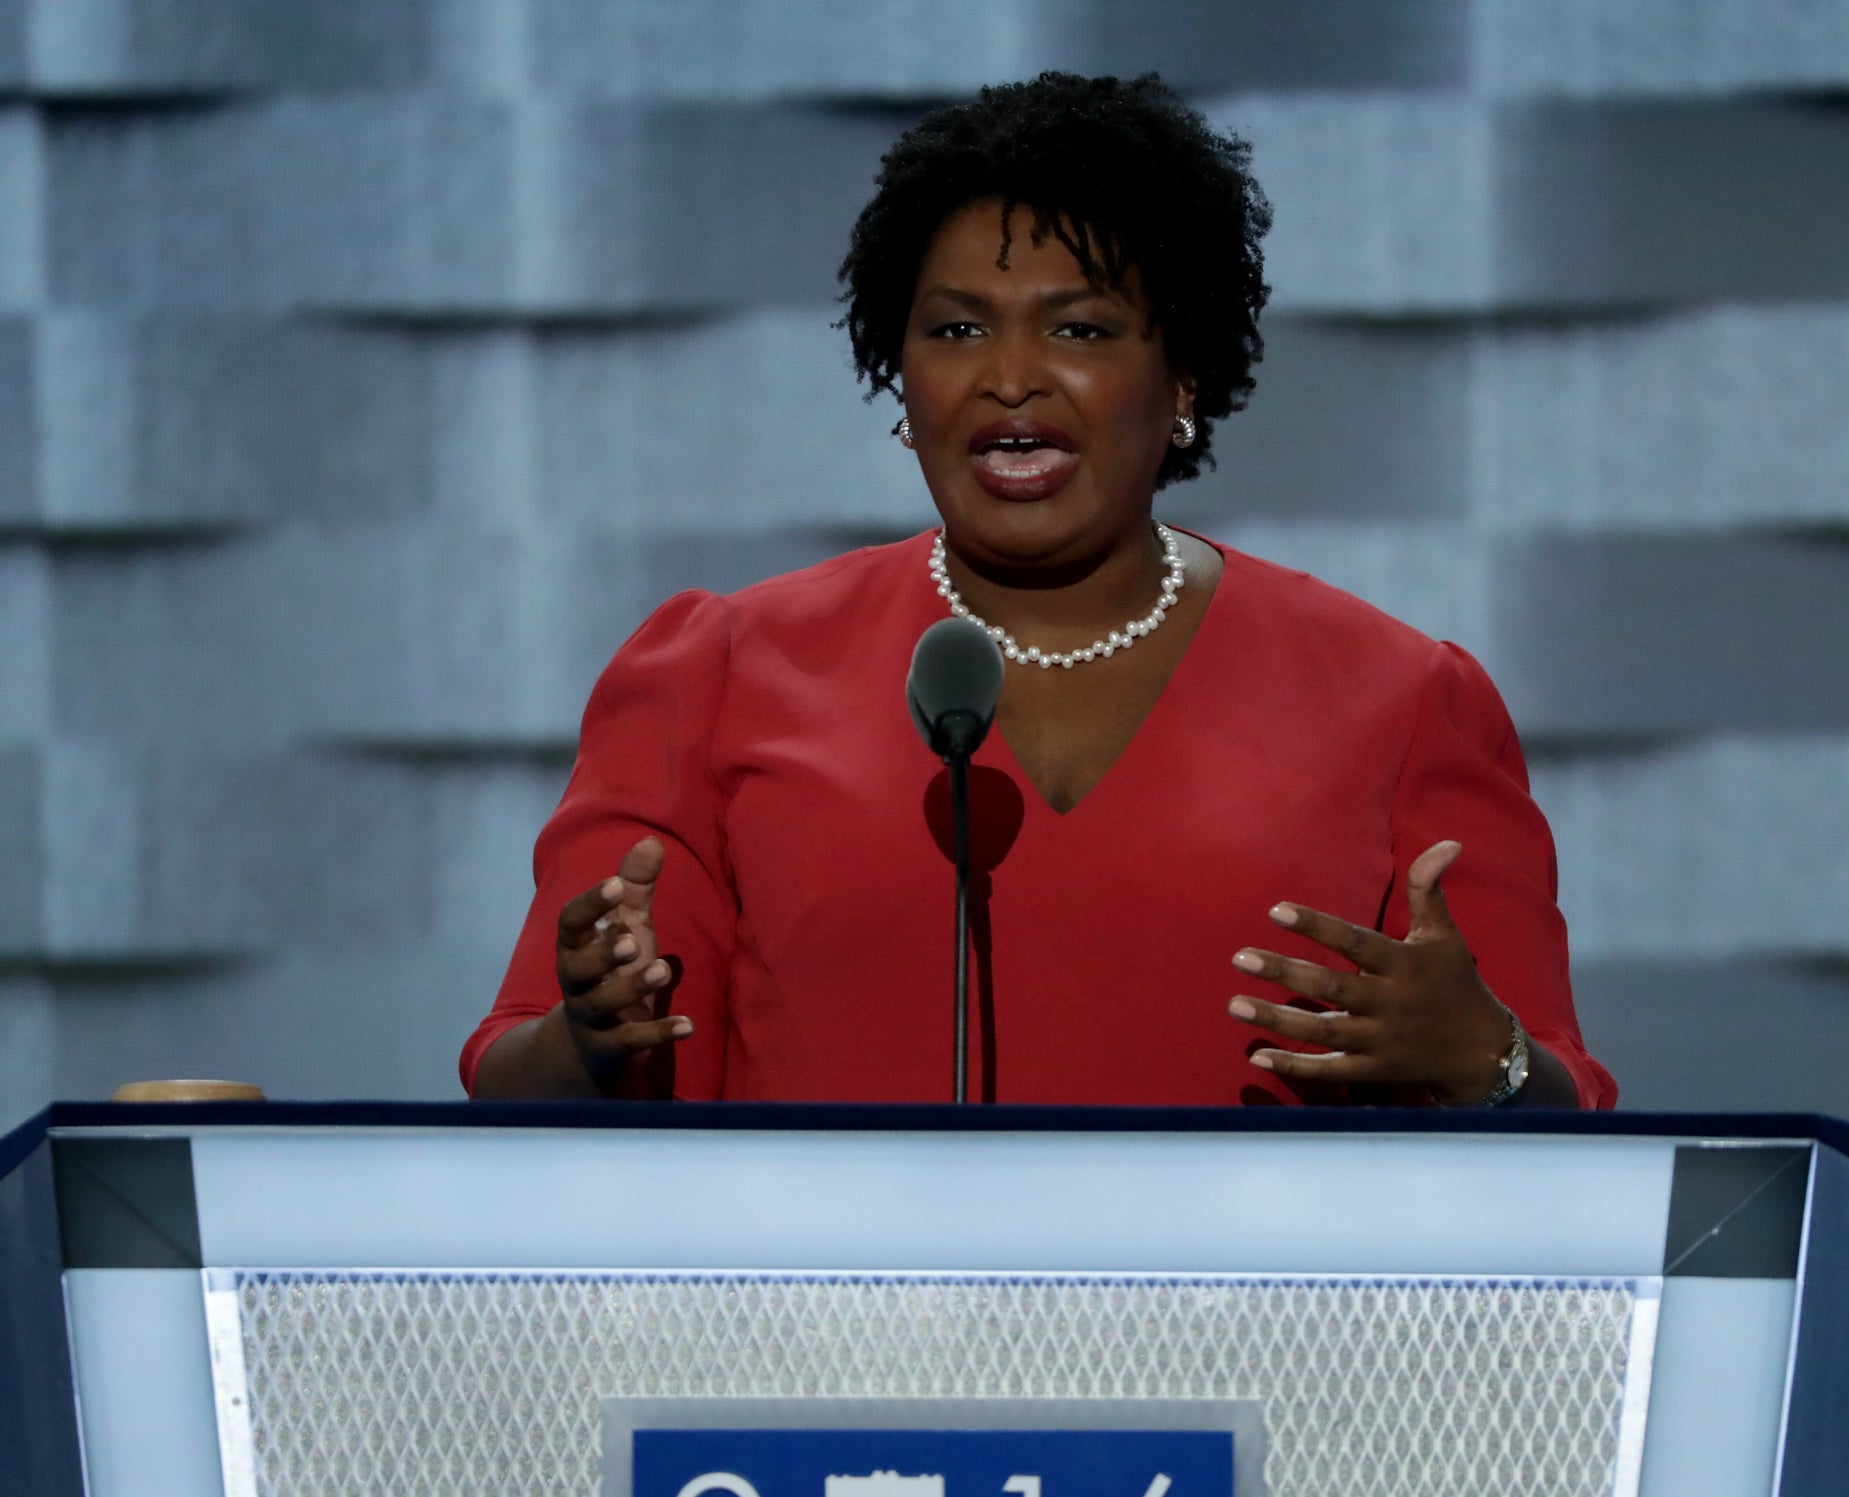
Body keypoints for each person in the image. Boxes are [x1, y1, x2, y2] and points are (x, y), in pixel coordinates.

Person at [463, 73, 1617, 1110]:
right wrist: (593, 1042)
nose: (1010, 378)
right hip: (828, 1340)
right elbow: (520, 1080)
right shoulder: (716, 674)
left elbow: (1565, 1112)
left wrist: (1487, 1065)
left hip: (1248, 1343)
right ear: (899, 375)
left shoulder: (1401, 699)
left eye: (1079, 327)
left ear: (1184, 378)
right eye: (957, 328)